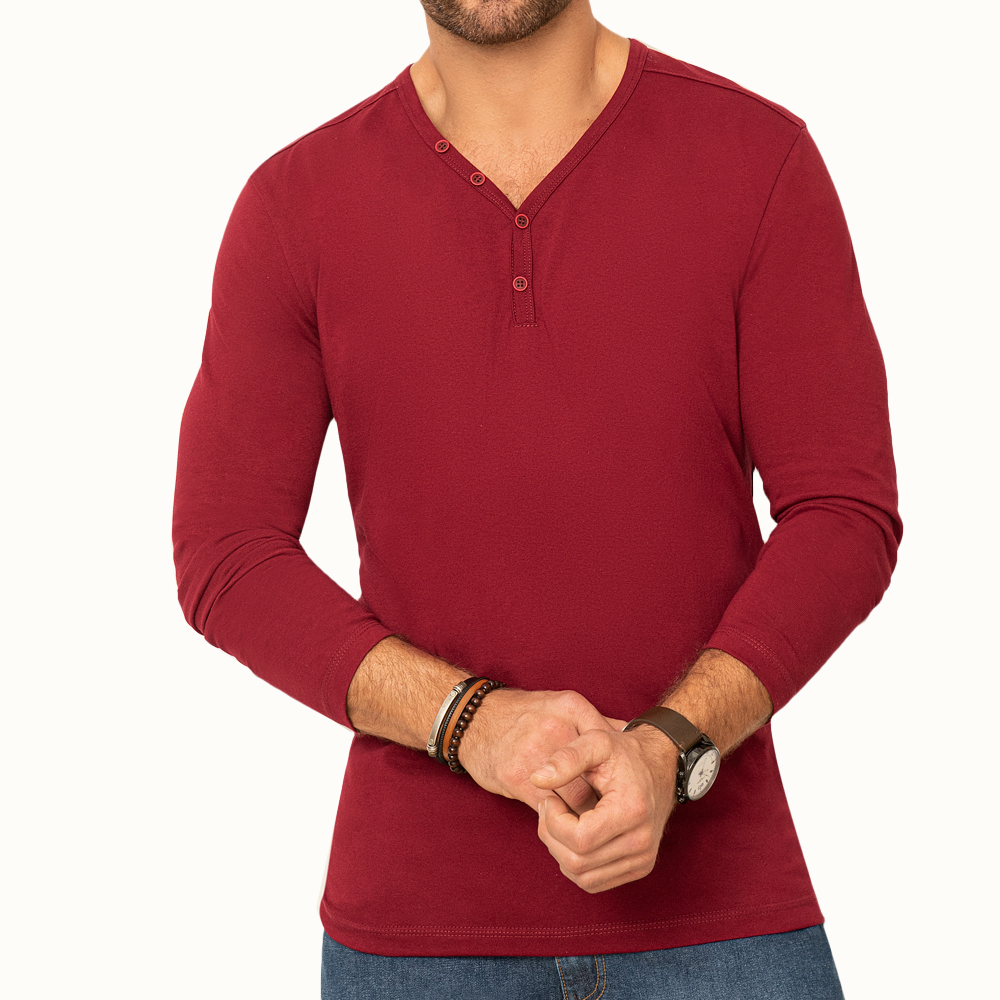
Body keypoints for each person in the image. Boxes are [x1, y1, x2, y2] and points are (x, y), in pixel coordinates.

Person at [172, 1, 901, 996]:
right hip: (418, 934)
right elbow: (227, 552)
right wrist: (470, 722)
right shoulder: (296, 202)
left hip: (722, 918)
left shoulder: (757, 159)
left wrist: (667, 748)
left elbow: (842, 513)